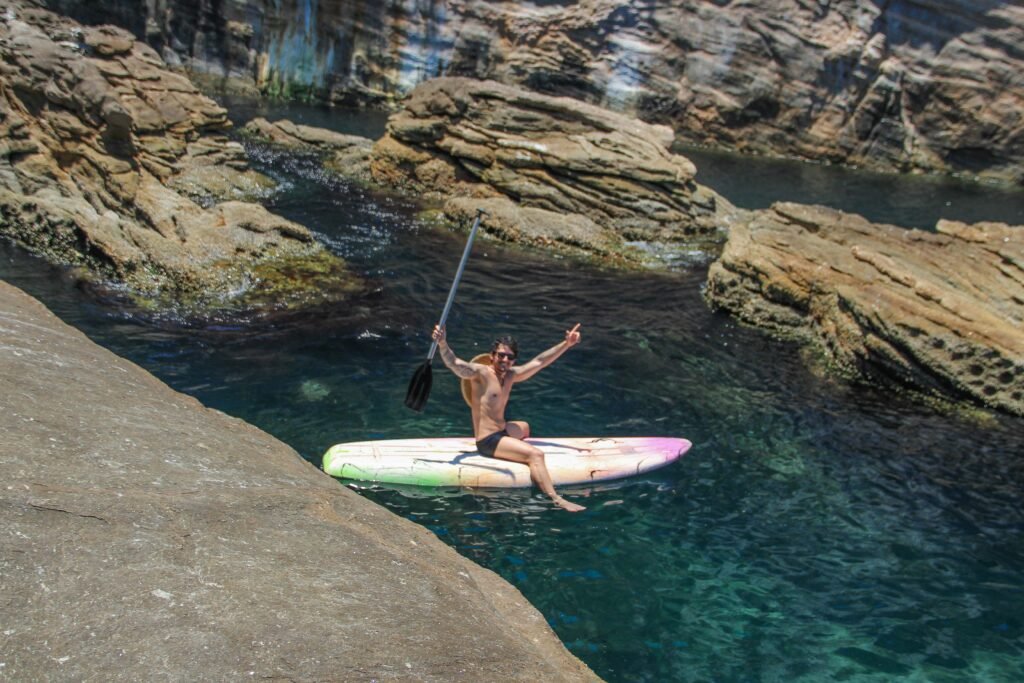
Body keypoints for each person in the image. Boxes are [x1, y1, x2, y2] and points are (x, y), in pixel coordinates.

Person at [432, 322, 586, 512]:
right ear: (492, 356)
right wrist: (443, 344)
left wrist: (566, 344)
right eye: (501, 355)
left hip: (502, 431)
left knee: (525, 427)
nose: (505, 359)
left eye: (509, 357)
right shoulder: (480, 373)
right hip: (488, 440)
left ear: (513, 360)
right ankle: (555, 499)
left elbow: (539, 361)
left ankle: (514, 449)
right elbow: (455, 364)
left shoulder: (511, 375)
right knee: (535, 454)